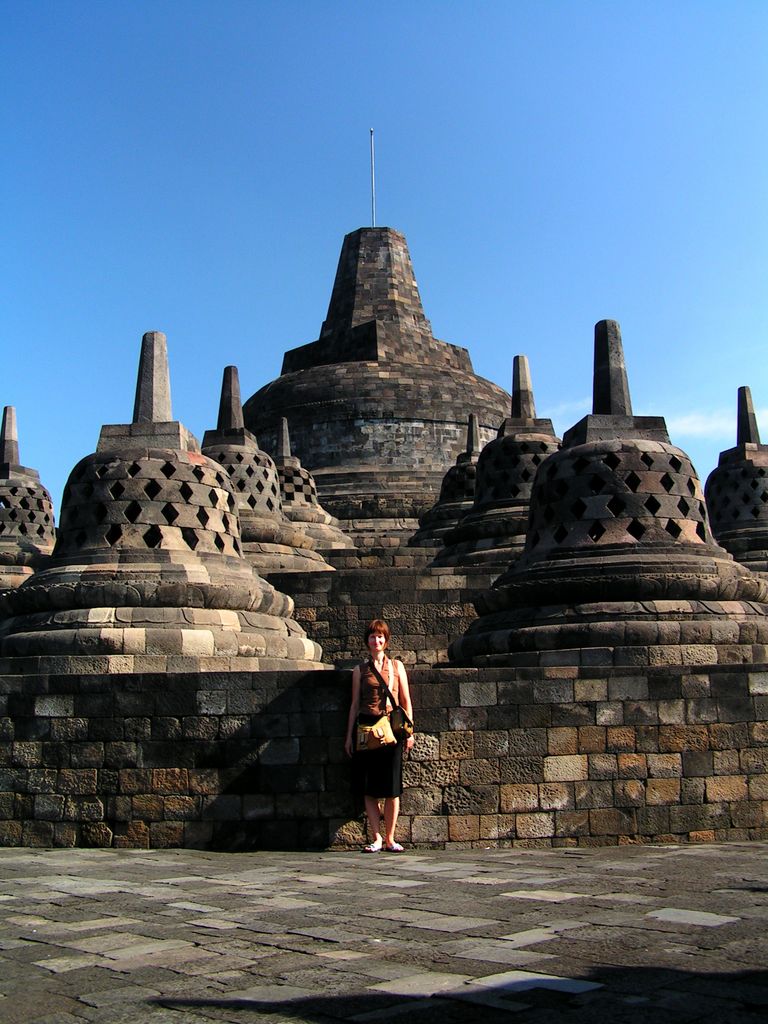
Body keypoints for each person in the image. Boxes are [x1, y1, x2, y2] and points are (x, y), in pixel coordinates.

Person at [344, 619, 415, 852]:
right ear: (367, 641)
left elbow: (405, 701)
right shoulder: (360, 671)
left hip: (391, 730)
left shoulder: (396, 667)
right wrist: (348, 736)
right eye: (373, 637)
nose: (377, 641)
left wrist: (410, 731)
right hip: (366, 728)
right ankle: (376, 837)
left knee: (392, 786)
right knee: (370, 787)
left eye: (381, 637)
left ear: (386, 640)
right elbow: (354, 704)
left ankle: (390, 838)